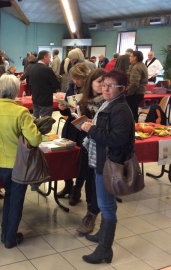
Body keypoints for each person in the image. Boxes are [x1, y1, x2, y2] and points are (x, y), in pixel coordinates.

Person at [0, 74, 41, 249]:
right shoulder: (21, 111)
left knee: (10, 197)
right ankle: (10, 237)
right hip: (19, 164)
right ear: (16, 91)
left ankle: (6, 232)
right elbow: (34, 140)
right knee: (16, 200)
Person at [81, 69, 134, 264]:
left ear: (122, 89)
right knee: (106, 204)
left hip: (109, 163)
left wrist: (92, 130)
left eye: (111, 86)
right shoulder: (109, 104)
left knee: (106, 206)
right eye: (104, 84)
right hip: (101, 160)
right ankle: (102, 235)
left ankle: (104, 249)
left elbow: (117, 139)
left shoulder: (120, 109)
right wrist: (91, 126)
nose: (106, 89)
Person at [74, 68, 107, 234]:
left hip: (102, 146)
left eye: (105, 82)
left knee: (97, 179)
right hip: (87, 145)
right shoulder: (84, 102)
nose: (102, 86)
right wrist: (71, 114)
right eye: (99, 82)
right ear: (91, 83)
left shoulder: (109, 103)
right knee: (88, 177)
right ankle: (90, 208)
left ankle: (92, 213)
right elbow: (80, 127)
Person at [57, 63, 90, 205]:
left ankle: (77, 190)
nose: (75, 81)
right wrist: (62, 107)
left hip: (84, 127)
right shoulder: (71, 86)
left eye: (78, 79)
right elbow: (67, 112)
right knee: (67, 156)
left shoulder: (91, 89)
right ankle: (68, 185)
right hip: (71, 126)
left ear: (85, 77)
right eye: (74, 78)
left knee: (83, 160)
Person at [29, 50, 60, 118]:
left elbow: (30, 82)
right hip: (45, 101)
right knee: (45, 125)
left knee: (35, 123)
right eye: (49, 58)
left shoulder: (33, 68)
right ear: (45, 57)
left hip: (35, 100)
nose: (50, 60)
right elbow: (57, 84)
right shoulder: (47, 69)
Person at [126, 51, 148, 122]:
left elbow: (134, 83)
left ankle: (132, 128)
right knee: (134, 110)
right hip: (139, 92)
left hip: (135, 93)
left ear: (135, 57)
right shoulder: (142, 65)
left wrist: (127, 93)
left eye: (131, 56)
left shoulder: (136, 67)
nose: (129, 57)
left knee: (131, 112)